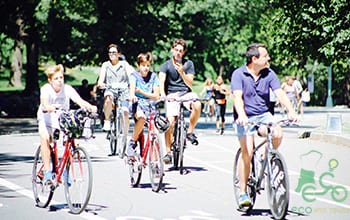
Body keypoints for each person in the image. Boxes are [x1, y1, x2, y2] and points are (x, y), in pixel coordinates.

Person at [231, 43, 298, 208]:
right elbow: (237, 98)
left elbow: (280, 93)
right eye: (265, 56)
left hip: (263, 115)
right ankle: (243, 192)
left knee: (277, 133)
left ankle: (265, 157)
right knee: (247, 152)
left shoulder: (269, 74)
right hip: (245, 117)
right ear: (255, 59)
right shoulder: (238, 74)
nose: (269, 58)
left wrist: (291, 111)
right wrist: (242, 115)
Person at [37, 64, 97, 184]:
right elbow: (44, 101)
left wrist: (90, 107)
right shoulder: (46, 89)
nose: (59, 81)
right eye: (56, 78)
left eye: (61, 77)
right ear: (50, 80)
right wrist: (48, 107)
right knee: (45, 138)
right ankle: (48, 172)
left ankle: (65, 170)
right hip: (46, 118)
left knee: (72, 142)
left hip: (61, 119)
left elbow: (79, 101)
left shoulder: (67, 89)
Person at [159, 38, 202, 164]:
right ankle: (167, 152)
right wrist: (163, 95)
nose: (178, 53)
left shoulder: (188, 64)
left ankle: (189, 131)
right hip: (172, 95)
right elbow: (161, 81)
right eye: (176, 50)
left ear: (183, 53)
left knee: (197, 103)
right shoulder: (165, 65)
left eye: (180, 51)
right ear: (172, 50)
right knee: (170, 122)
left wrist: (182, 72)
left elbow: (190, 82)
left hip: (186, 93)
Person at [127, 52, 160, 157]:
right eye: (143, 65)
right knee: (141, 117)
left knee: (156, 134)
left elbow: (156, 96)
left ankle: (155, 162)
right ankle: (132, 142)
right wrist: (132, 95)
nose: (146, 68)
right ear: (138, 65)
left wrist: (141, 92)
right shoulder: (134, 76)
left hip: (150, 105)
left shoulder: (153, 77)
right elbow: (132, 89)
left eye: (148, 65)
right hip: (138, 104)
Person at [97, 44, 135, 131]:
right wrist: (101, 83)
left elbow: (130, 76)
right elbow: (101, 78)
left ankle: (125, 134)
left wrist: (132, 83)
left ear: (119, 54)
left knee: (125, 111)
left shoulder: (124, 64)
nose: (111, 54)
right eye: (110, 52)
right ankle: (107, 120)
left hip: (123, 90)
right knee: (108, 98)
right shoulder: (105, 65)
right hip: (110, 89)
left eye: (114, 52)